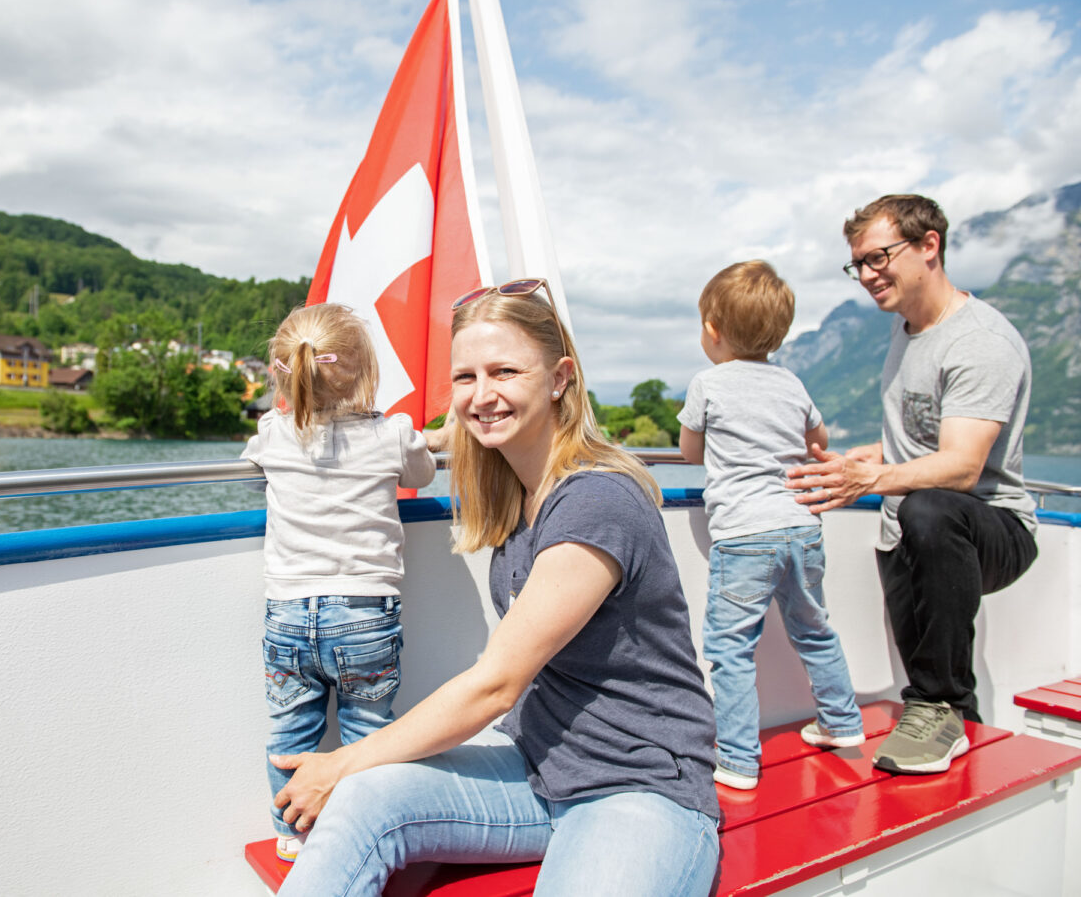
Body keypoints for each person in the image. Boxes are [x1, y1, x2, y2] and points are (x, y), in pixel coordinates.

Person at [270, 278, 720, 897]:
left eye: (504, 372)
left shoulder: (596, 501)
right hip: (538, 769)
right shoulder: (520, 495)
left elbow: (496, 684)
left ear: (560, 377)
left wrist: (340, 760)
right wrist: (350, 773)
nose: (482, 396)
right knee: (363, 797)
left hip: (638, 787)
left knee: (351, 772)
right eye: (465, 378)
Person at [786, 194, 1038, 775]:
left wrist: (872, 478)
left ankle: (942, 711)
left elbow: (962, 467)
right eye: (858, 264)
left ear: (930, 246)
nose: (868, 276)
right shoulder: (905, 330)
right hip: (919, 520)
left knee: (927, 510)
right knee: (920, 663)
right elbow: (921, 439)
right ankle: (946, 725)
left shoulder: (980, 342)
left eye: (878, 257)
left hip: (989, 525)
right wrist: (860, 459)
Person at [241, 302, 436, 863]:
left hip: (287, 611)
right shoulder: (394, 433)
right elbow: (419, 476)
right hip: (363, 613)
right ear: (363, 370)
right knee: (368, 731)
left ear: (283, 371)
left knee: (290, 729)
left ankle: (291, 834)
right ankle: (360, 834)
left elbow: (256, 476)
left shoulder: (272, 434)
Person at [677, 260, 864, 791]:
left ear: (712, 330)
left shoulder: (708, 383)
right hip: (800, 528)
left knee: (732, 649)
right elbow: (819, 439)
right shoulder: (790, 382)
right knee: (814, 629)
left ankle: (737, 759)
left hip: (745, 536)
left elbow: (692, 452)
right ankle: (842, 722)